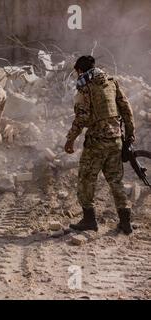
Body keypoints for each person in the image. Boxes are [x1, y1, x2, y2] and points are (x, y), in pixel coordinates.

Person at [64, 55, 135, 235]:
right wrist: (129, 134)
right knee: (116, 181)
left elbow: (82, 117)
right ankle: (125, 222)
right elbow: (126, 109)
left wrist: (70, 139)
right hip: (116, 140)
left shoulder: (85, 88)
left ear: (80, 70)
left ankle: (89, 220)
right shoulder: (111, 83)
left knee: (86, 179)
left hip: (97, 141)